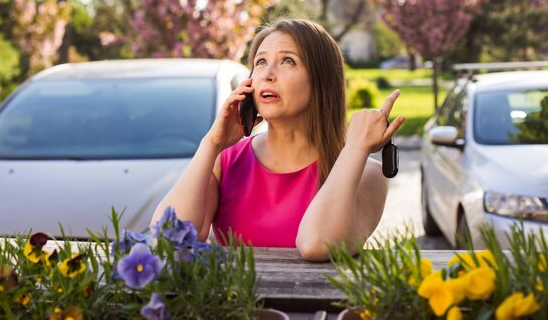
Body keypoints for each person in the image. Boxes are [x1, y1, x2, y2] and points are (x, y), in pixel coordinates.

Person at [151, 18, 404, 261]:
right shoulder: (225, 161)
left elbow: (317, 244)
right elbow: (167, 239)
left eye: (288, 61)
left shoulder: (365, 173)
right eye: (260, 62)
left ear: (322, 82)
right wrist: (211, 143)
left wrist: (356, 148)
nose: (267, 74)